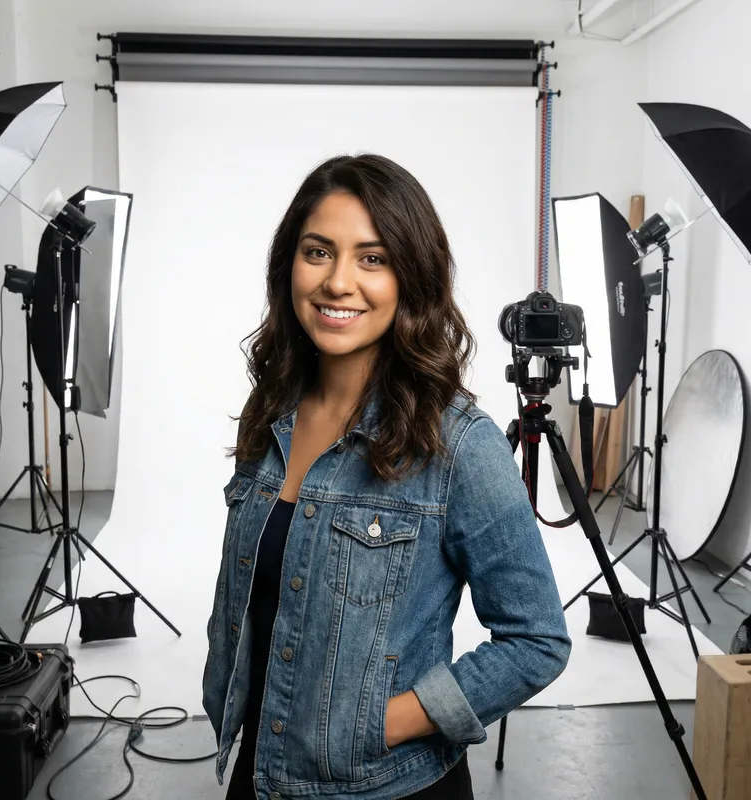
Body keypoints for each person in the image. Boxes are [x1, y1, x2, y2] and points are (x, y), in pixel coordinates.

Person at [202, 153, 571, 800]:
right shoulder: (270, 413)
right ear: (288, 264)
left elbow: (537, 639)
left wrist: (384, 722)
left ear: (411, 277)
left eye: (372, 259)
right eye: (318, 252)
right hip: (258, 771)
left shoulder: (458, 445)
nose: (339, 281)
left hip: (387, 784)